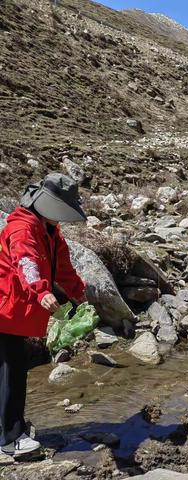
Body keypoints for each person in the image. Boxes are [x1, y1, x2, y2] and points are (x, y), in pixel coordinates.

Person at [0, 173, 87, 456]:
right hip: (5, 307)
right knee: (10, 371)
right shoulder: (23, 229)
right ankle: (10, 440)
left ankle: (13, 429)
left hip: (13, 308)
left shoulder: (49, 229)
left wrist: (78, 291)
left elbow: (61, 265)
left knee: (12, 368)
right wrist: (41, 291)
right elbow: (26, 261)